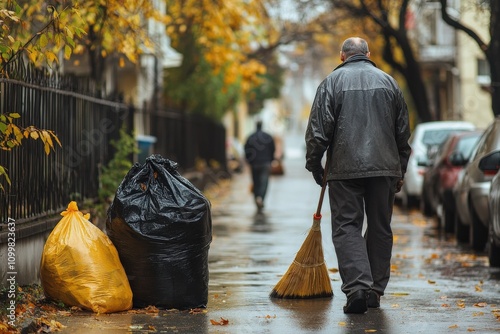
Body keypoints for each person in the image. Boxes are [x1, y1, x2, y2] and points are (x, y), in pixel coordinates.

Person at [305, 37, 411, 314]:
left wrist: (315, 164)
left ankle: (357, 288)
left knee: (346, 226)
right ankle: (374, 289)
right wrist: (401, 167)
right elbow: (403, 132)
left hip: (344, 168)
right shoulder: (389, 83)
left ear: (342, 56)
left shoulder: (331, 83)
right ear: (368, 54)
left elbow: (318, 132)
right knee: (379, 227)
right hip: (384, 167)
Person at [244, 120, 276, 211]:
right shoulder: (268, 137)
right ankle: (260, 198)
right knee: (264, 182)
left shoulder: (250, 137)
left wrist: (249, 160)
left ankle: (257, 198)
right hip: (265, 163)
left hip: (254, 163)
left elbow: (246, 149)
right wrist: (271, 159)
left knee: (256, 182)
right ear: (262, 126)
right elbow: (272, 149)